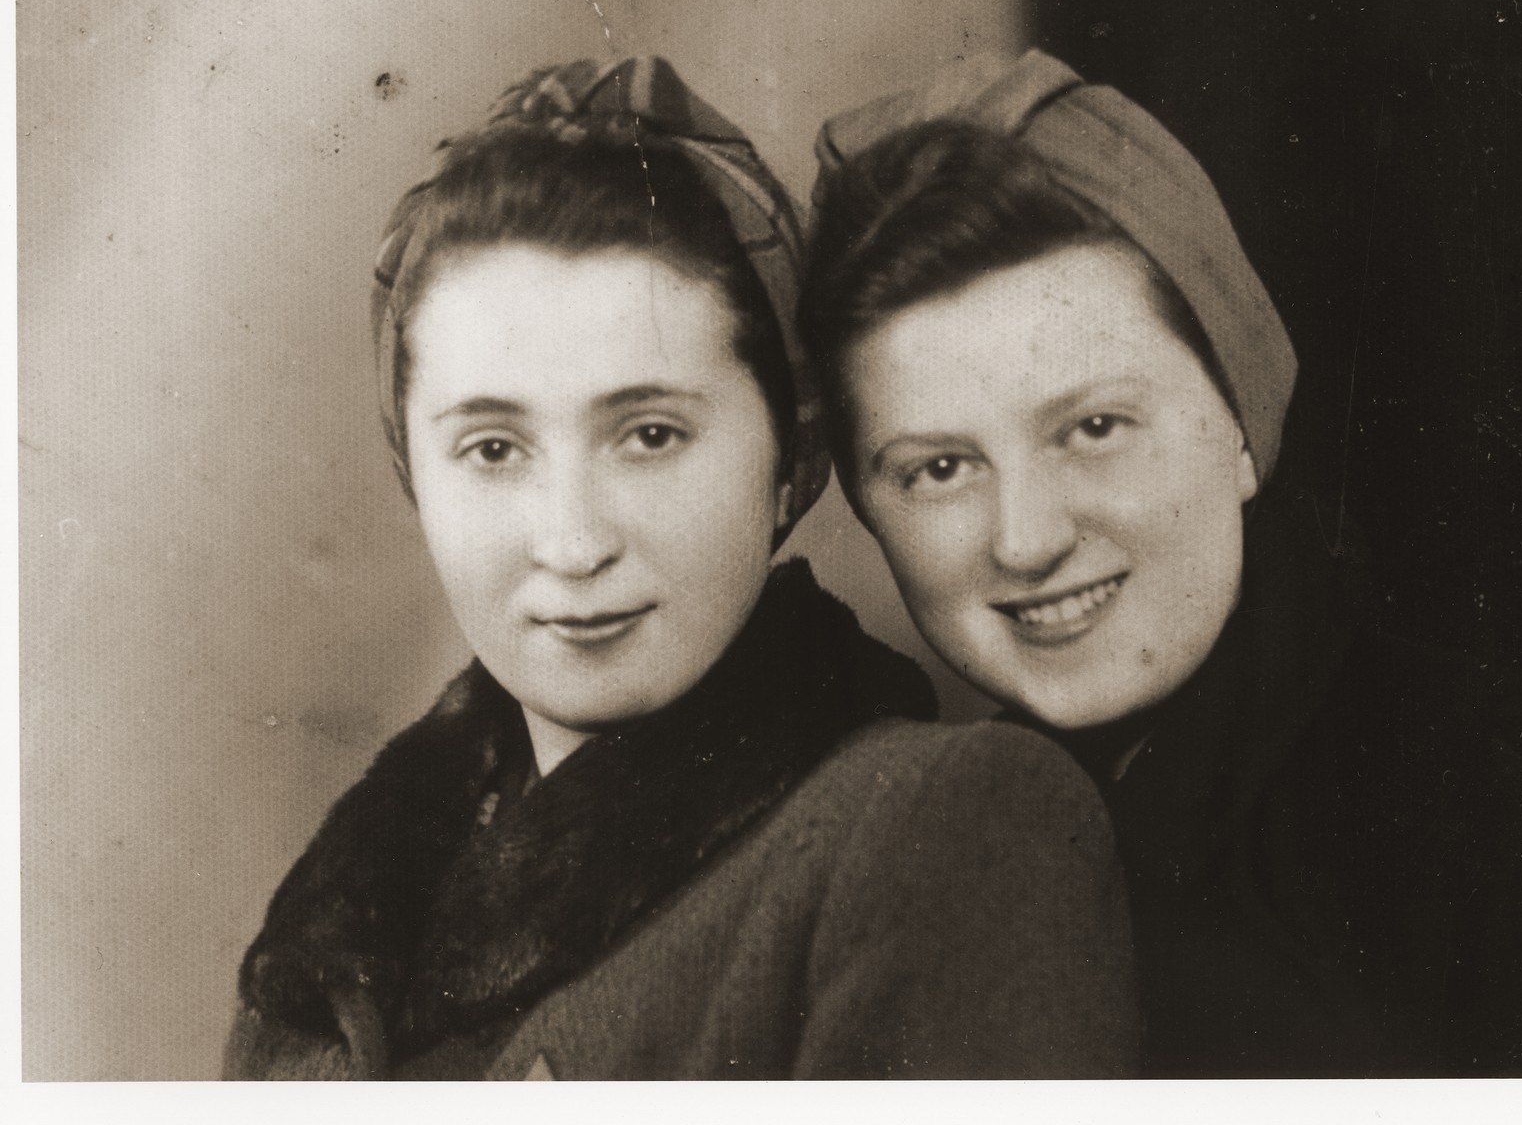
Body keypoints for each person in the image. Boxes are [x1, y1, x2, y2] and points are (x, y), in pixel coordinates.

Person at [224, 56, 1136, 1080]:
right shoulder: (347, 908)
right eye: (492, 450)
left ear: (788, 460)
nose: (572, 542)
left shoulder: (936, 830)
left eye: (650, 435)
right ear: (414, 474)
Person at [797, 49, 1522, 1076]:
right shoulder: (905, 871)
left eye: (1095, 426)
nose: (1026, 538)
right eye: (937, 468)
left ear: (1241, 421)